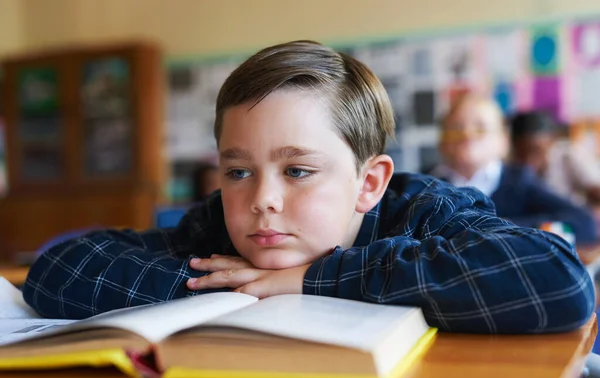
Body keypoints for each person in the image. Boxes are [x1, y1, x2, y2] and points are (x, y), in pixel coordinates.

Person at [23, 41, 594, 334]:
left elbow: (556, 281)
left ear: (368, 183)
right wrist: (236, 290)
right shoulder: (221, 227)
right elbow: (59, 268)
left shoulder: (424, 210)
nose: (261, 199)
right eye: (238, 170)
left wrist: (305, 280)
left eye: (297, 171)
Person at [430, 93, 597, 244]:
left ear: (503, 141)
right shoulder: (426, 185)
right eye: (455, 127)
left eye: (480, 127)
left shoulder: (519, 182)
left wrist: (504, 226)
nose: (467, 134)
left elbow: (584, 224)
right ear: (441, 141)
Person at [511, 111, 600, 206]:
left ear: (552, 141)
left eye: (536, 151)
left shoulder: (569, 155)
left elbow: (596, 190)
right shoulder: (508, 165)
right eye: (521, 153)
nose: (529, 160)